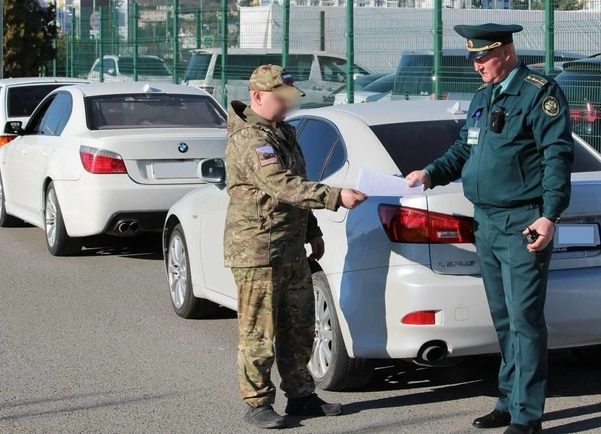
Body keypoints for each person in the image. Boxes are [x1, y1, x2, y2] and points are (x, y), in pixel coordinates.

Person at [406, 24, 574, 434]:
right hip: (487, 222)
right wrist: (430, 174)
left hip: (523, 222)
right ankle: (507, 399)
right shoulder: (484, 95)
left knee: (524, 320)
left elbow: (557, 156)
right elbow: (467, 147)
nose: (476, 65)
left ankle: (527, 415)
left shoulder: (539, 92)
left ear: (507, 51)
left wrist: (549, 216)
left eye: (483, 57)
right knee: (503, 318)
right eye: (472, 58)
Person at [224, 64, 367, 429]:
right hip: (258, 252)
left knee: (299, 326)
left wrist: (312, 229)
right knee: (259, 333)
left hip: (290, 248)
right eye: (280, 98)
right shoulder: (249, 139)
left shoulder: (282, 131)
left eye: (290, 97)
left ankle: (301, 395)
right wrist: (335, 196)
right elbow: (281, 185)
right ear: (257, 97)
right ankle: (257, 402)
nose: (287, 105)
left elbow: (299, 182)